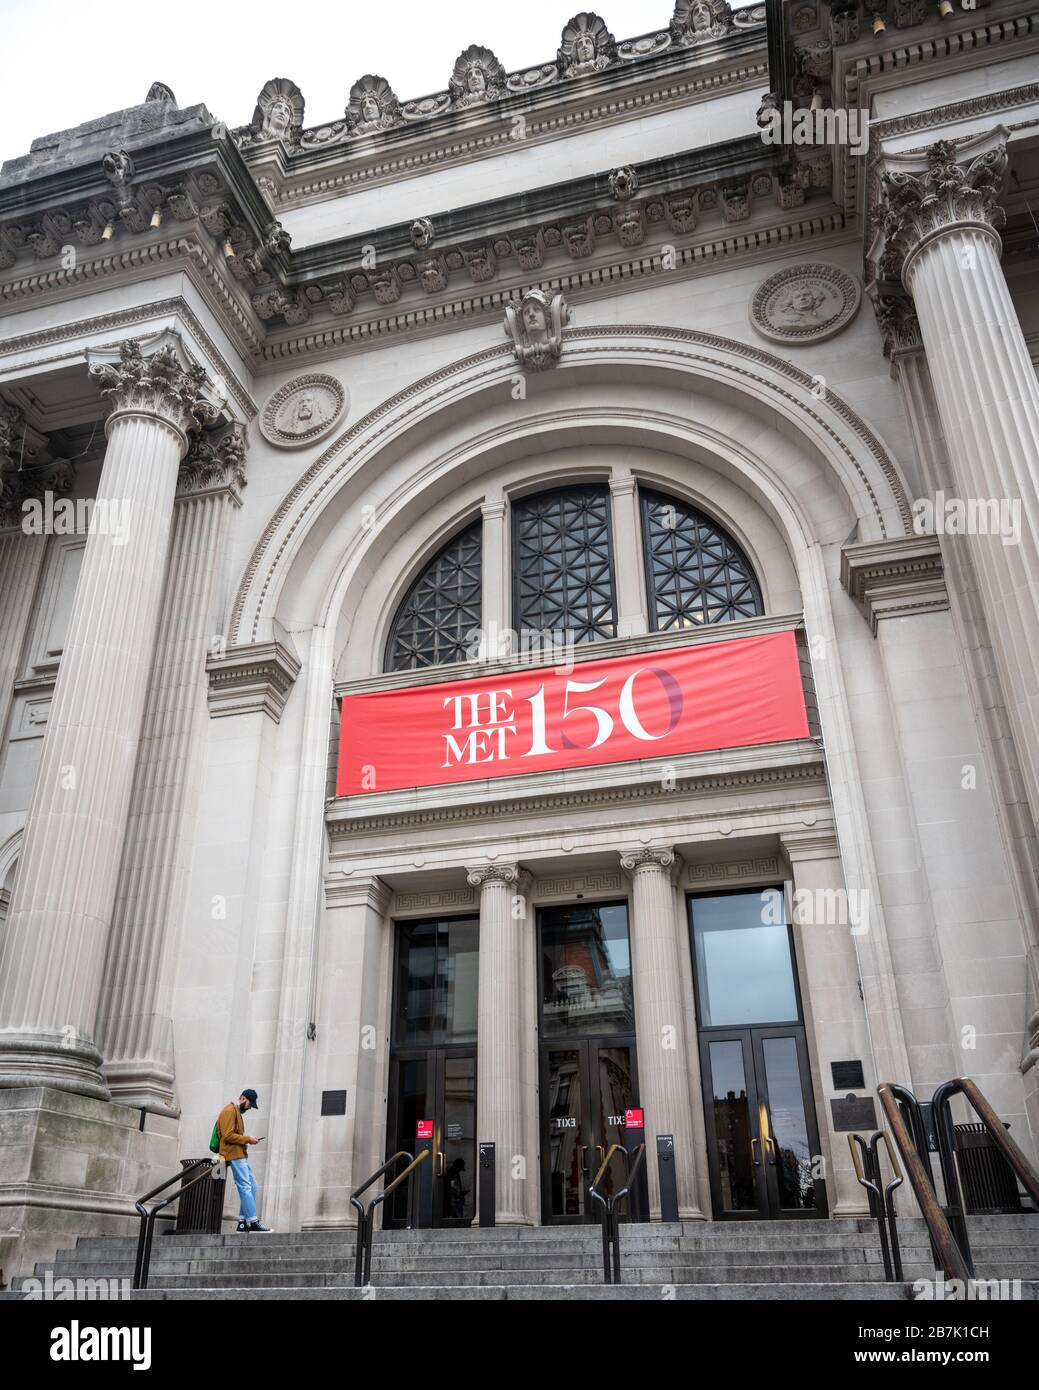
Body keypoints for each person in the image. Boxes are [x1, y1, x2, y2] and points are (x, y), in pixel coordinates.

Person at [217, 1089, 272, 1233]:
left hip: (239, 1154)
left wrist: (248, 1140)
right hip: (233, 1154)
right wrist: (248, 1139)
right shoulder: (230, 1110)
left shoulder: (236, 1111)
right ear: (242, 1098)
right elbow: (227, 1136)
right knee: (246, 1187)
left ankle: (242, 1223)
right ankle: (253, 1222)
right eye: (249, 1104)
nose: (249, 1108)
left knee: (252, 1186)